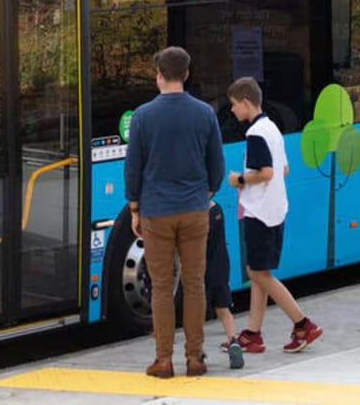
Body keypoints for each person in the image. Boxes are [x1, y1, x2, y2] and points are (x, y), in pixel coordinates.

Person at [124, 46, 225, 379]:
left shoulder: (143, 116)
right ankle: (195, 358)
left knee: (162, 286)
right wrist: (205, 193)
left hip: (156, 211)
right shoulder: (204, 113)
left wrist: (135, 208)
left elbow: (133, 167)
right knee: (195, 284)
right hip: (194, 209)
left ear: (158, 75)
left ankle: (164, 360)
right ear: (187, 74)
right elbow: (217, 165)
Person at [226, 77, 323, 354]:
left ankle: (303, 323)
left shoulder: (255, 133)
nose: (232, 110)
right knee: (260, 271)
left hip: (259, 211)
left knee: (256, 272)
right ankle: (253, 333)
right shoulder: (272, 128)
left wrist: (239, 179)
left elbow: (266, 172)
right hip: (275, 208)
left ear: (246, 103)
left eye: (234, 104)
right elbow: (284, 170)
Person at [207, 193, 243, 369]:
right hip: (221, 267)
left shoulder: (197, 215)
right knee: (223, 308)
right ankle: (233, 340)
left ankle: (196, 349)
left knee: (195, 310)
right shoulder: (217, 210)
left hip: (202, 270)